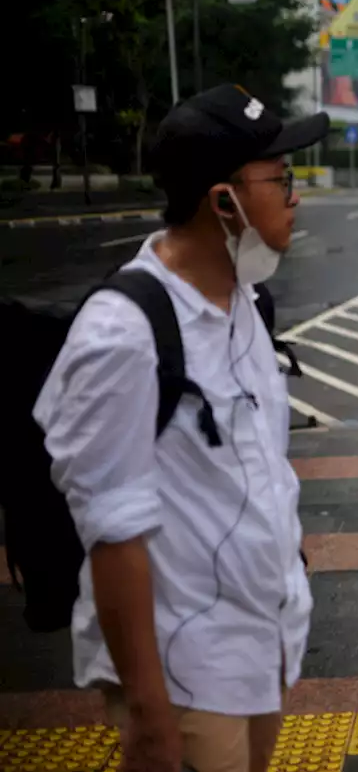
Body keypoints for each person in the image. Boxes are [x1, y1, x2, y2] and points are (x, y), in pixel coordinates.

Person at [33, 84, 328, 772]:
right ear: (222, 200)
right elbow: (114, 532)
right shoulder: (122, 334)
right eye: (279, 178)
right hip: (183, 667)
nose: (294, 195)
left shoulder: (246, 304)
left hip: (259, 644)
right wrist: (148, 709)